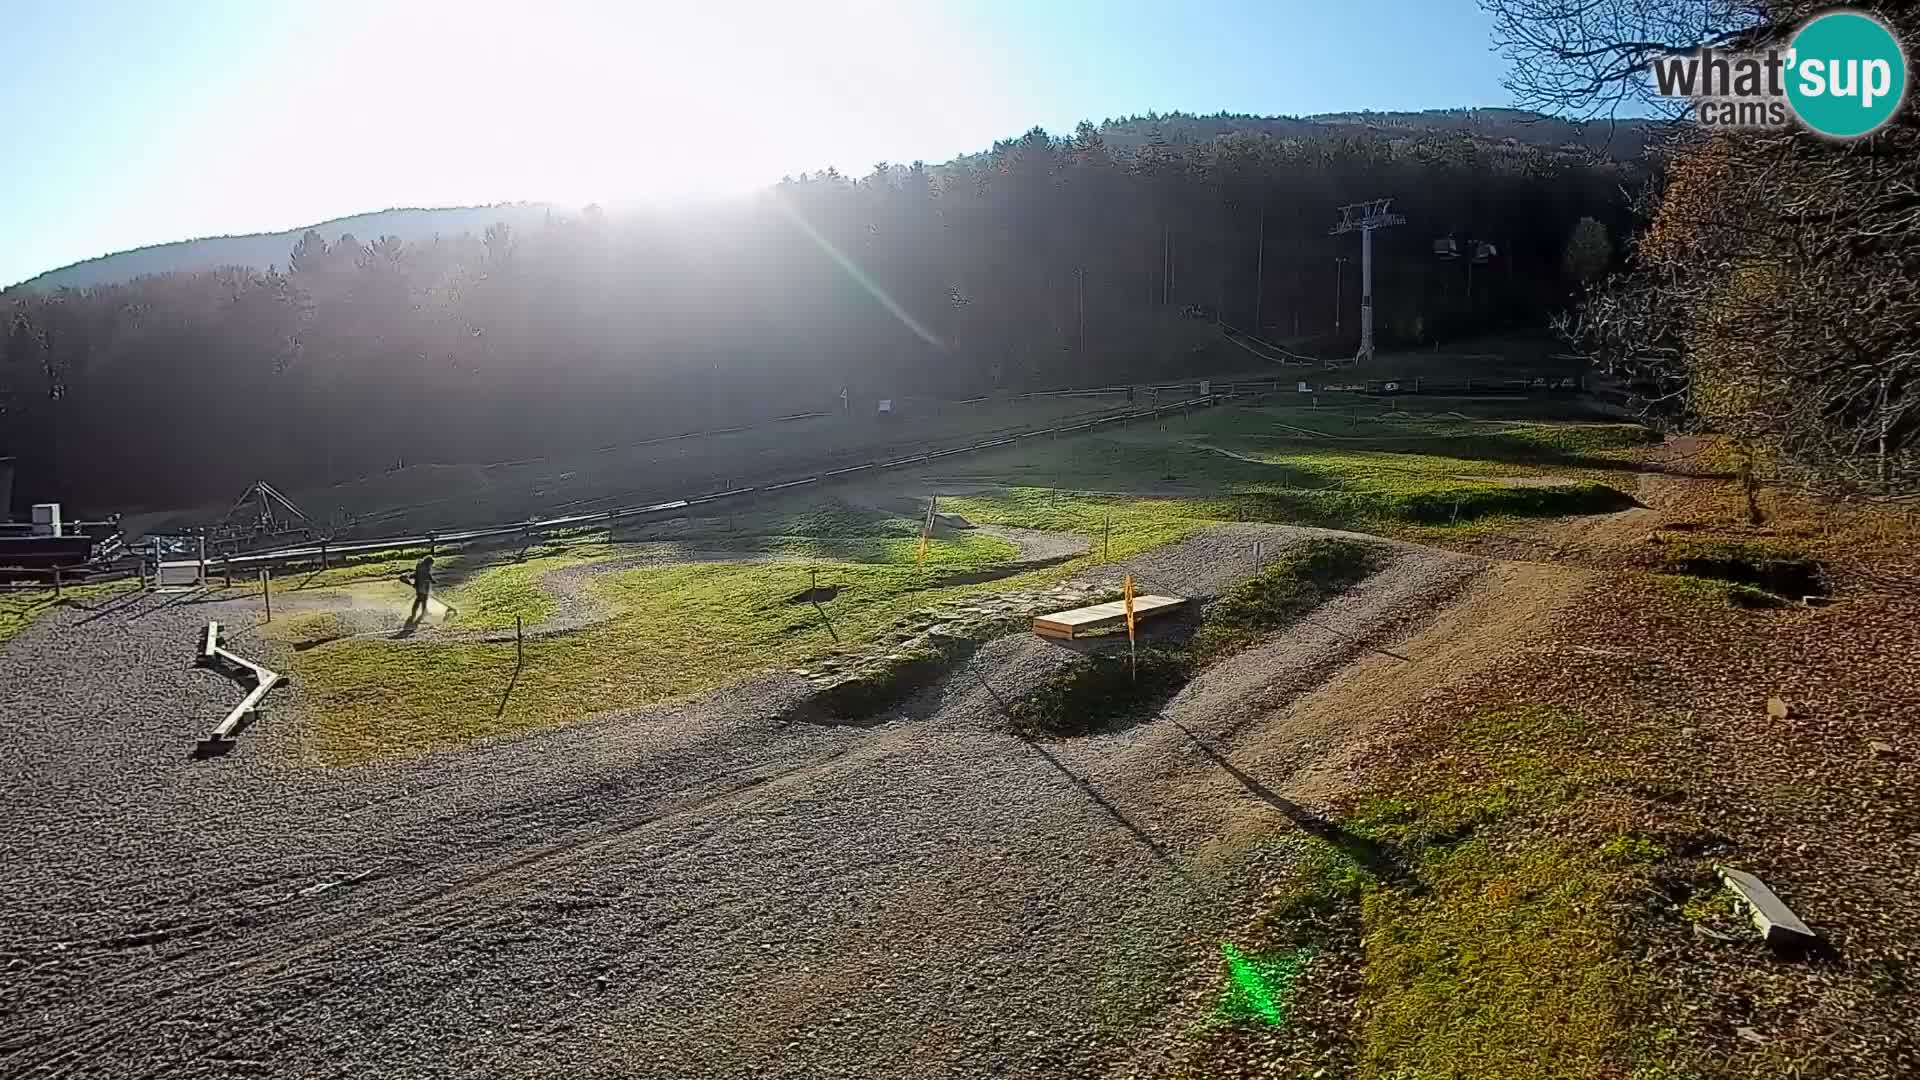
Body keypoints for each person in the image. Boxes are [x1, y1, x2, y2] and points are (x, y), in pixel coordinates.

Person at [408, 553, 436, 623]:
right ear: (428, 562)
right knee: (420, 600)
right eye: (431, 564)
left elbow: (419, 574)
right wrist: (432, 581)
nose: (431, 566)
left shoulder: (420, 565)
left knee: (423, 600)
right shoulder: (424, 567)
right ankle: (414, 614)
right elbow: (423, 575)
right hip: (422, 586)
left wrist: (431, 580)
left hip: (421, 585)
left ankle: (423, 613)